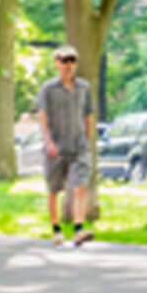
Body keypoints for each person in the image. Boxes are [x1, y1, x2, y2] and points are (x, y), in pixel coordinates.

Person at [38, 45, 95, 248]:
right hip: (56, 146)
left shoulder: (84, 88)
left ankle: (79, 230)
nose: (68, 65)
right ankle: (56, 229)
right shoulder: (48, 89)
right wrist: (48, 142)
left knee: (80, 186)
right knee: (55, 189)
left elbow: (88, 115)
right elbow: (42, 117)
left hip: (78, 145)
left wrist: (87, 140)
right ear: (56, 63)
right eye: (64, 60)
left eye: (72, 61)